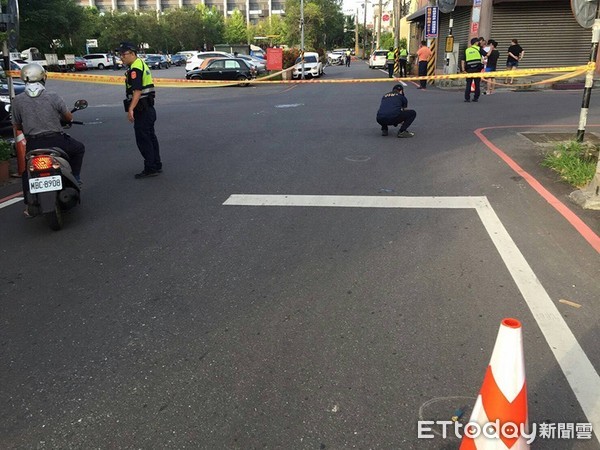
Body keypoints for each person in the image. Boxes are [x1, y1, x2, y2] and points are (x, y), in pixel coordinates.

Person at [12, 64, 85, 194]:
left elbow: (17, 125)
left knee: (26, 171)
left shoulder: (17, 100)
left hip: (33, 144)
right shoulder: (53, 96)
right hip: (56, 141)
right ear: (43, 77)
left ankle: (28, 205)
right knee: (79, 148)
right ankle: (76, 178)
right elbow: (68, 117)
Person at [117, 41, 162, 179]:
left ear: (132, 53)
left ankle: (150, 167)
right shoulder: (140, 64)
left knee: (143, 139)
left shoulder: (135, 69)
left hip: (142, 109)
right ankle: (156, 164)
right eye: (120, 55)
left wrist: (131, 109)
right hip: (148, 108)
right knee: (150, 137)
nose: (121, 57)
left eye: (123, 54)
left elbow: (137, 90)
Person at [461, 37, 484, 102]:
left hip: (469, 69)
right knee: (477, 84)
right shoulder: (479, 48)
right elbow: (487, 54)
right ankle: (476, 98)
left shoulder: (467, 50)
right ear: (476, 43)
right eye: (478, 42)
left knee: (468, 83)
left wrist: (463, 69)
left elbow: (463, 60)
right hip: (477, 69)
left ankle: (467, 98)